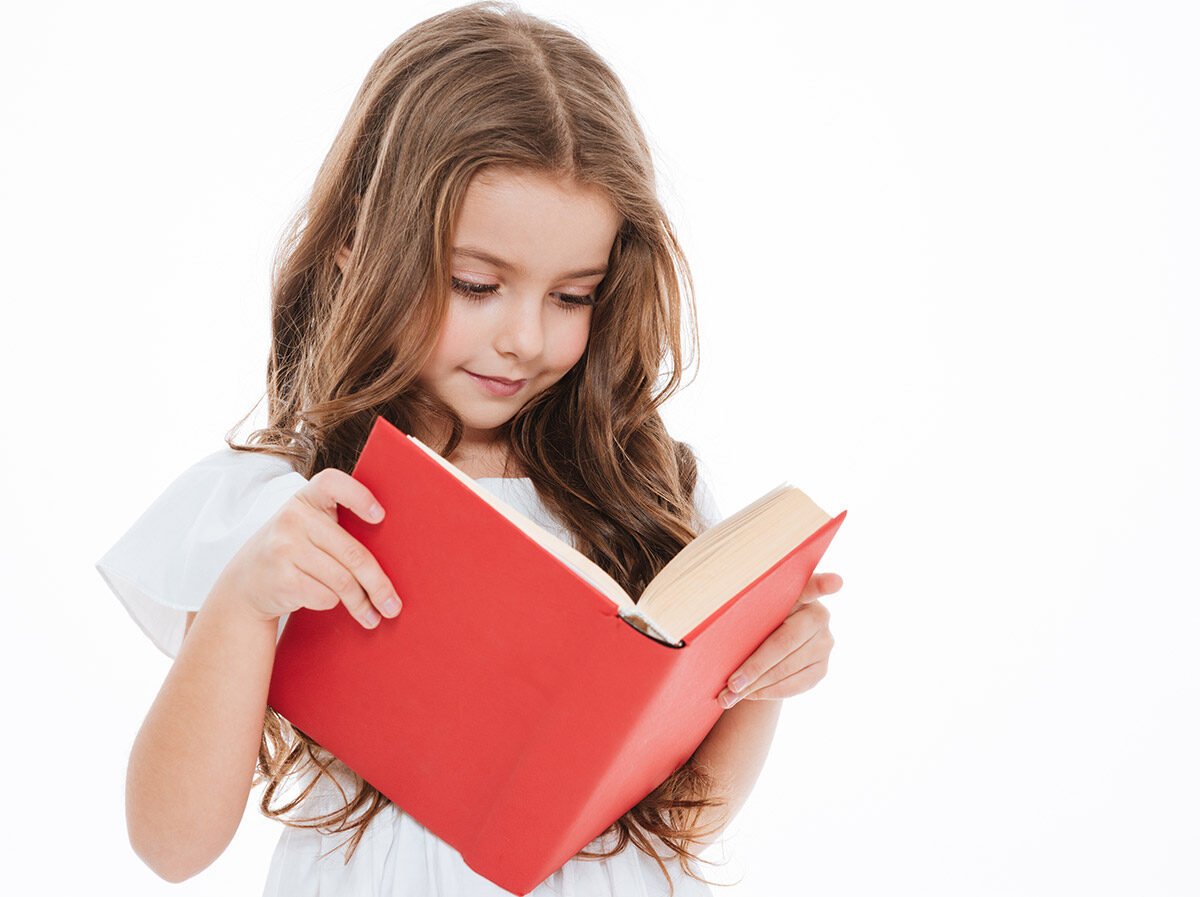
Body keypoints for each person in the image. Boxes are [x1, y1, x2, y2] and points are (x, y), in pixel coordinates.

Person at [95, 3, 843, 895]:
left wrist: (756, 678)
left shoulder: (641, 495)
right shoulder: (280, 506)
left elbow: (682, 823)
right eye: (477, 285)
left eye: (572, 297)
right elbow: (170, 843)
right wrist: (245, 600)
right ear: (352, 251)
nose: (525, 338)